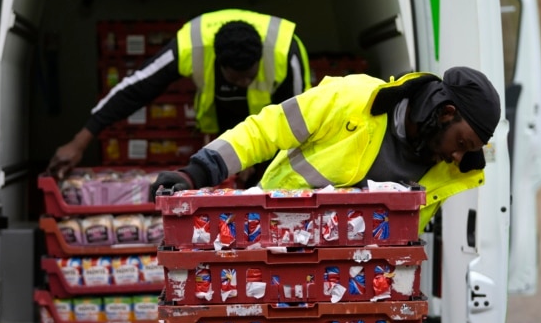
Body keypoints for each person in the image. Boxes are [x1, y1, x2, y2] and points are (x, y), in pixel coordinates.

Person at [150, 66, 501, 233]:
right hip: (272, 245)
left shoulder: (447, 169)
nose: (458, 158)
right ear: (445, 113)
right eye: (461, 144)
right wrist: (196, 172)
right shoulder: (351, 100)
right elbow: (265, 130)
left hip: (350, 293)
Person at [47, 9, 311, 181]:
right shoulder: (191, 45)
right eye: (236, 77)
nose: (244, 82)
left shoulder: (286, 52)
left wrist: (259, 161)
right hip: (222, 128)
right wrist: (80, 141)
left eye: (249, 75)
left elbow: (300, 123)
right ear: (219, 64)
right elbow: (135, 88)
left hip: (271, 129)